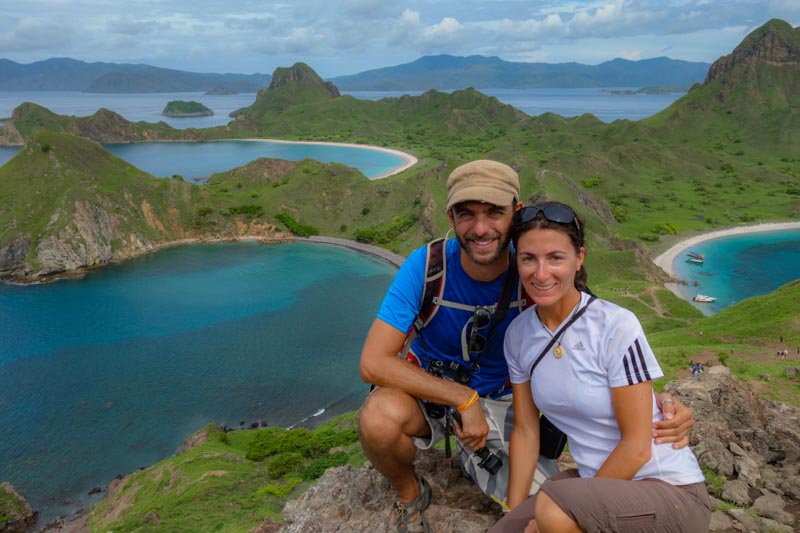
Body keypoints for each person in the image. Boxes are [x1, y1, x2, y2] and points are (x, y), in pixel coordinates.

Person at [358, 161, 694, 533]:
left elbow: (594, 339)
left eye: (495, 213)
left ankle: (485, 464)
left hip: (507, 405)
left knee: (550, 512)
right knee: (378, 417)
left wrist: (658, 404)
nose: (481, 228)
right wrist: (462, 398)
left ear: (515, 213)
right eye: (466, 214)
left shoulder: (536, 267)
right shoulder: (427, 267)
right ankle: (410, 493)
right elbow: (373, 361)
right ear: (449, 216)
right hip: (431, 393)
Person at [490, 201, 711, 533]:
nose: (540, 273)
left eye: (555, 258)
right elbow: (525, 430)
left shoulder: (615, 326)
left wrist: (561, 514)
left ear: (579, 258)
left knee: (552, 512)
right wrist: (515, 511)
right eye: (528, 259)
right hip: (596, 482)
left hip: (668, 490)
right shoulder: (519, 335)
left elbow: (637, 447)